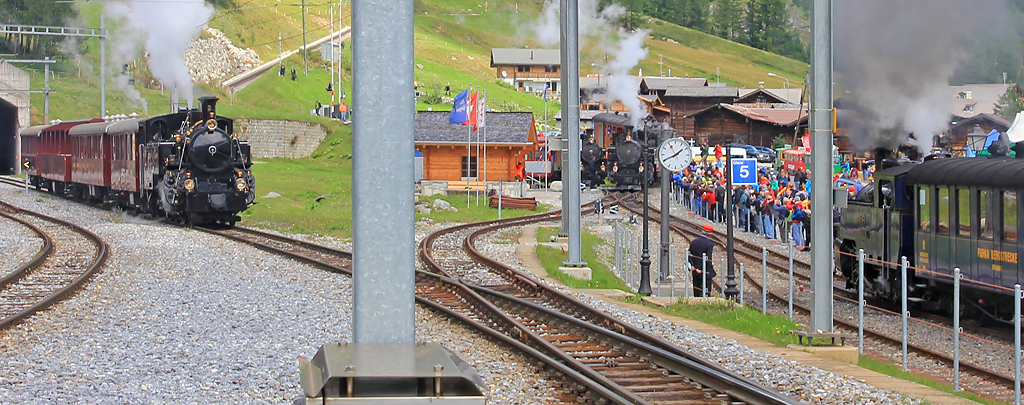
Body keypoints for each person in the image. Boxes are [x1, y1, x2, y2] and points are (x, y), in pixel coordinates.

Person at [688, 224, 717, 297]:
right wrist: (700, 269)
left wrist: (693, 266)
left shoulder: (694, 242)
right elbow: (708, 258)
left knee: (696, 289)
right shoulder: (709, 244)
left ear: (702, 232)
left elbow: (689, 255)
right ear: (710, 234)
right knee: (706, 289)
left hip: (695, 270)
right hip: (704, 271)